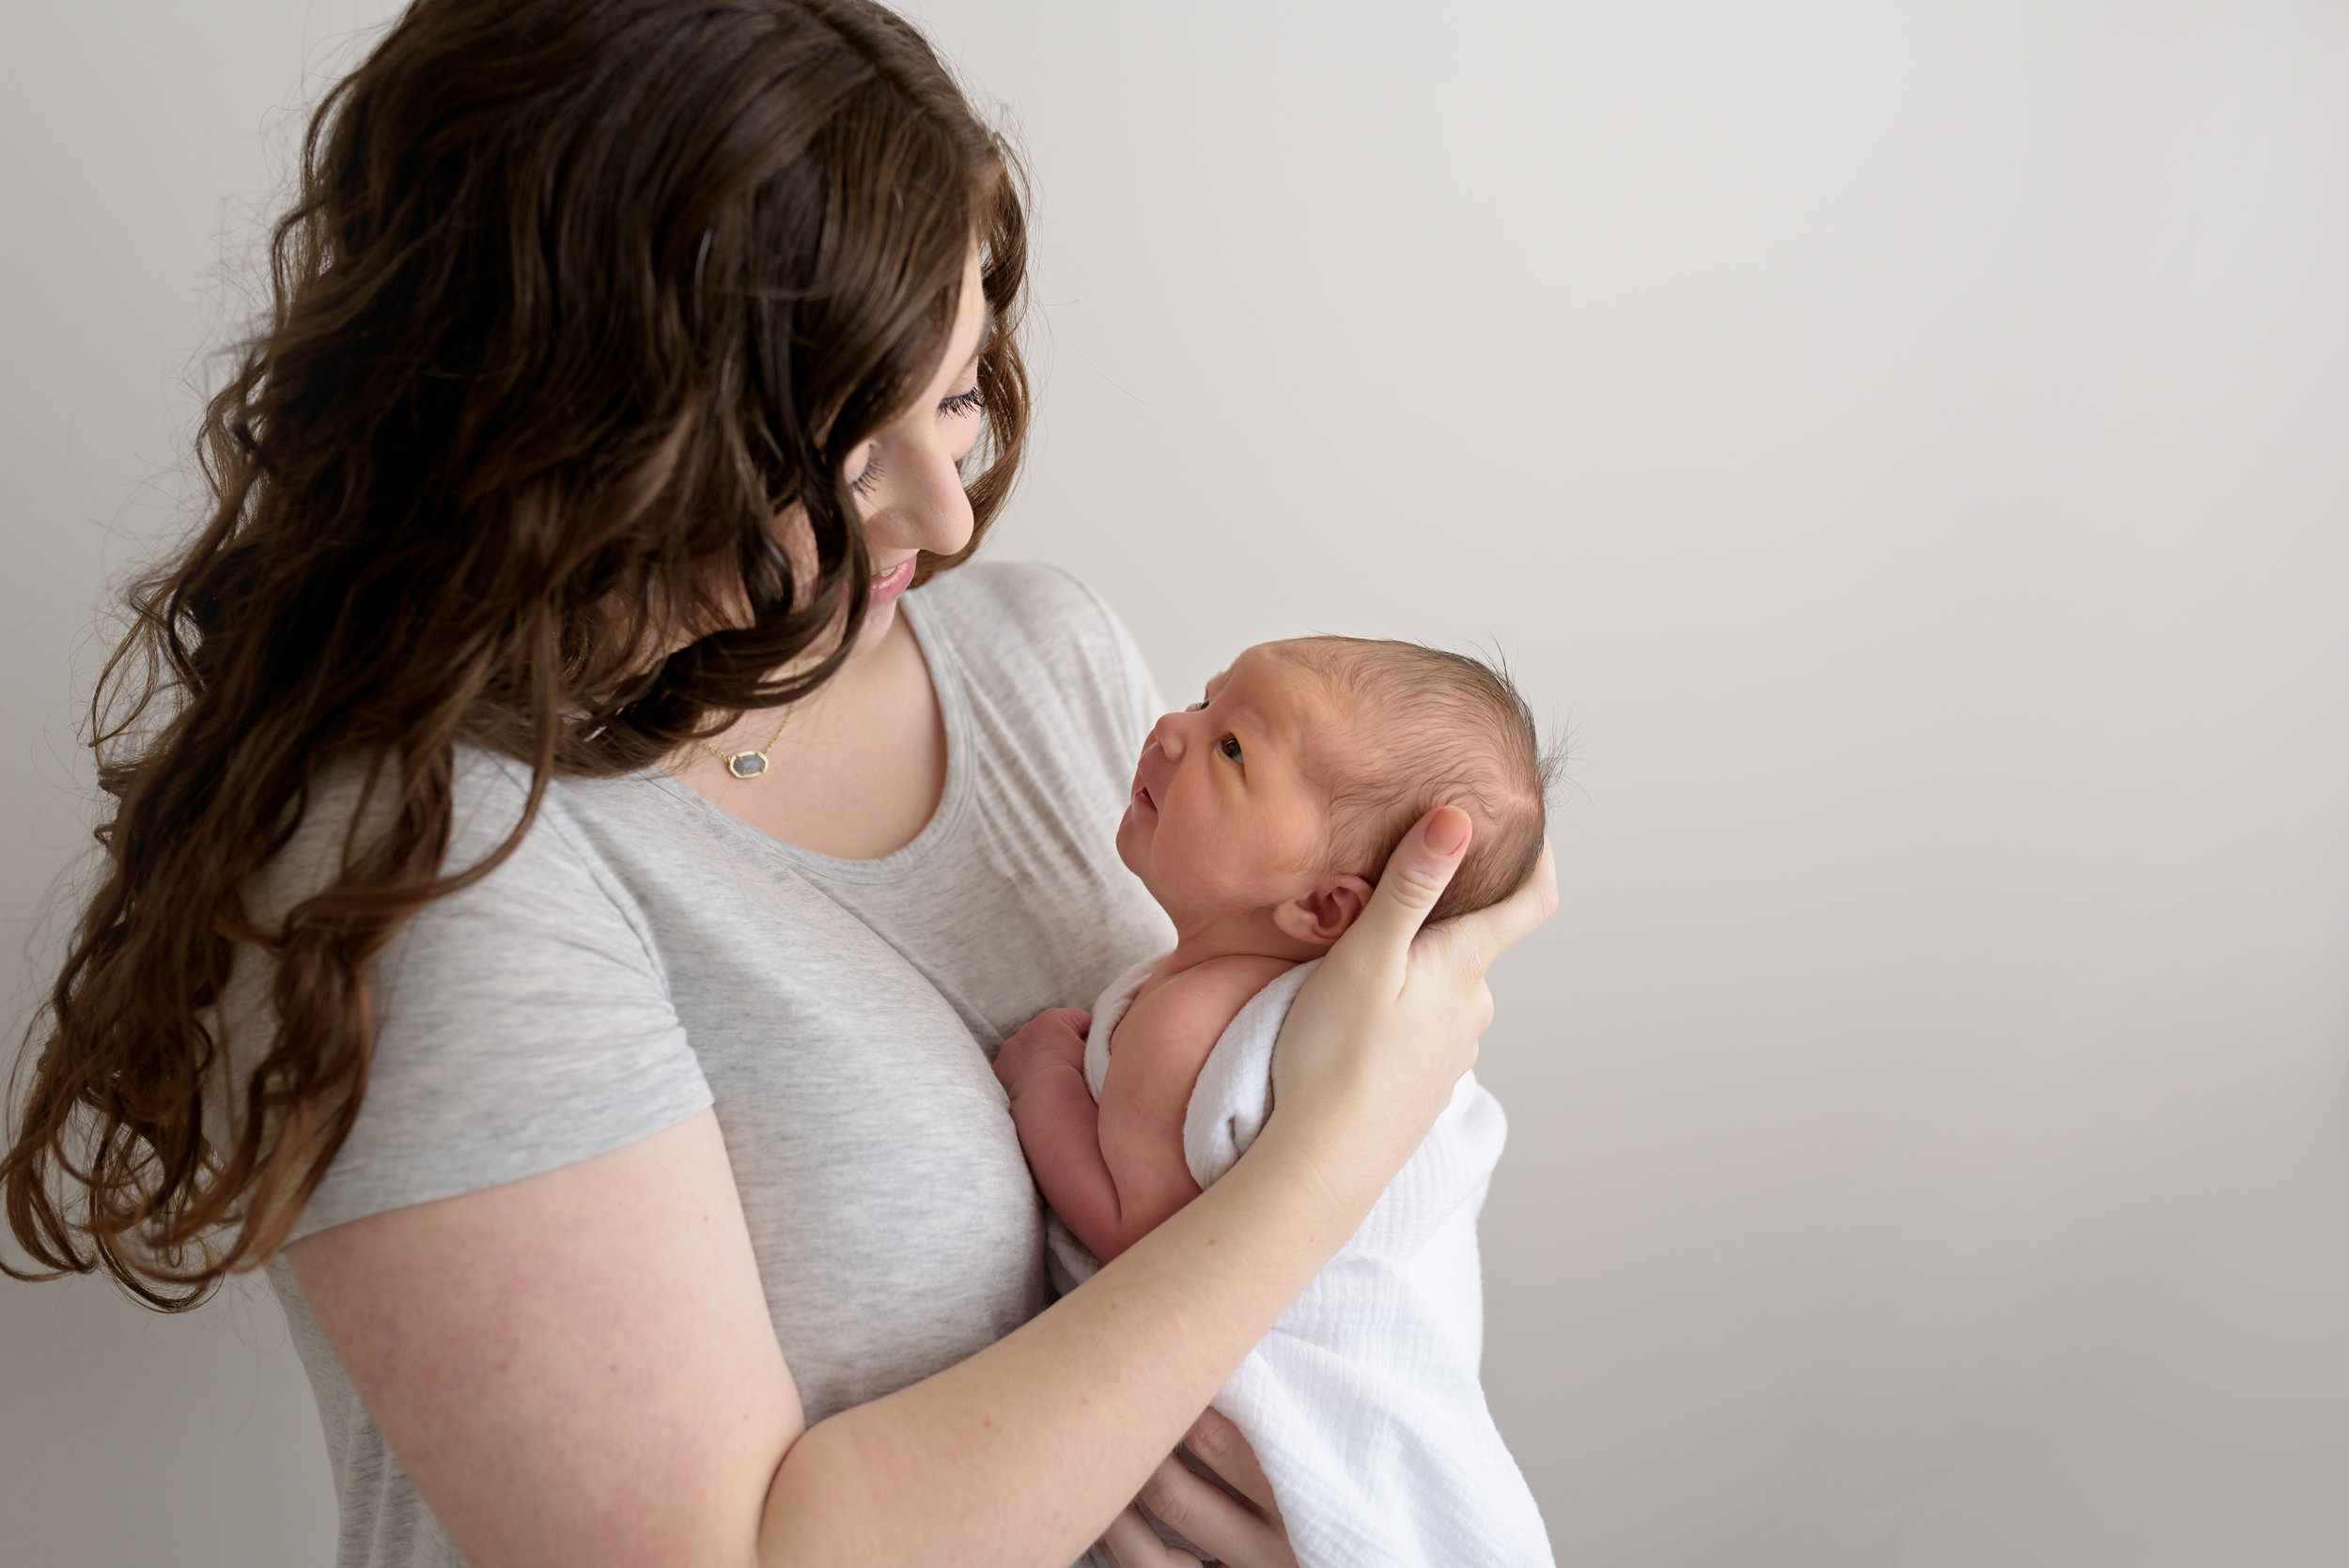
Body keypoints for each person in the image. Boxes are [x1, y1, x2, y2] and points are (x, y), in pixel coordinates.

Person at [0, 4, 1555, 1565]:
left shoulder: (1043, 658)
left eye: (953, 395)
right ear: (578, 441)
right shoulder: (425, 863)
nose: (946, 517)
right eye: (843, 457)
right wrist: (1335, 1150)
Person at [997, 637, 1557, 1567]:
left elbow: (1136, 1233)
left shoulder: (1189, 1021)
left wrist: (1041, 1080)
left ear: (1326, 910)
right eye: (1205, 703)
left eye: (1231, 750)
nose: (1173, 730)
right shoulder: (1261, 997)